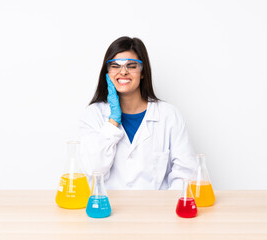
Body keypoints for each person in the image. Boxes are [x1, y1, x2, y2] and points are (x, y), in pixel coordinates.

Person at [78, 36, 197, 190]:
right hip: (108, 210)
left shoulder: (169, 115)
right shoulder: (93, 114)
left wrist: (166, 208)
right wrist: (113, 121)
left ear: (142, 73)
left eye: (131, 66)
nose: (123, 72)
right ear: (107, 73)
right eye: (115, 66)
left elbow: (186, 172)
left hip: (156, 210)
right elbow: (91, 170)